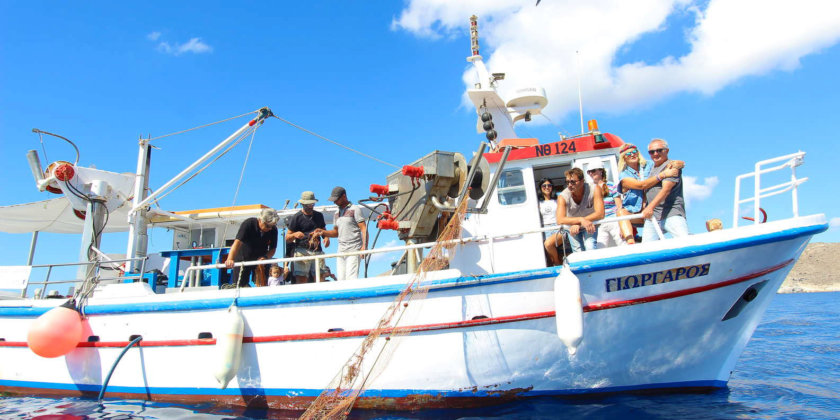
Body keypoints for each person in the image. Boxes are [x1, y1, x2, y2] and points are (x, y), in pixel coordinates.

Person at [617, 143, 683, 242]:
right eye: (628, 154)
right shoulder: (623, 175)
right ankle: (630, 242)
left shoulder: (650, 165)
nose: (632, 155)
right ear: (623, 158)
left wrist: (678, 164)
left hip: (657, 209)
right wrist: (662, 175)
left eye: (634, 152)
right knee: (621, 212)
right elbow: (641, 185)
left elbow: (666, 163)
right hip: (638, 211)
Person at [544, 168, 604, 265]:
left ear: (582, 181)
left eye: (572, 182)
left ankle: (593, 271)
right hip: (572, 227)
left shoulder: (594, 189)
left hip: (588, 225)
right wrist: (580, 221)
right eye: (567, 182)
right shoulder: (563, 196)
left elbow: (600, 213)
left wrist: (580, 223)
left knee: (590, 247)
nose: (569, 185)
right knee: (578, 253)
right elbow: (560, 219)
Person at [642, 138, 689, 241]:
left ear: (666, 151)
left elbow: (666, 190)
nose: (655, 154)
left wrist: (650, 207)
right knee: (646, 250)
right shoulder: (650, 168)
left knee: (685, 243)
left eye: (659, 150)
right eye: (651, 152)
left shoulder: (671, 166)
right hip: (653, 218)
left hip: (672, 213)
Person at [321, 186, 368, 280]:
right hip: (341, 250)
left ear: (344, 196)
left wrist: (364, 246)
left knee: (351, 278)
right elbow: (336, 232)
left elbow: (364, 229)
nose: (334, 202)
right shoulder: (336, 213)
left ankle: (352, 295)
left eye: (336, 199)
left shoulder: (355, 209)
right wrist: (323, 232)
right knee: (341, 279)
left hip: (354, 249)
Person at [224, 208, 279, 287]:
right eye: (267, 226)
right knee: (239, 285)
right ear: (260, 220)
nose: (269, 228)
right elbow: (237, 242)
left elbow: (273, 249)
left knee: (262, 283)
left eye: (272, 226)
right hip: (243, 258)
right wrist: (230, 259)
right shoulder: (248, 223)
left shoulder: (273, 229)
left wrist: (266, 257)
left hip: (260, 260)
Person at [286, 191, 328, 284]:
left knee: (320, 276)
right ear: (302, 204)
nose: (310, 206)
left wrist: (326, 238)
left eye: (312, 204)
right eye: (308, 204)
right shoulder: (296, 217)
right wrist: (294, 235)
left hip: (317, 250)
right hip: (301, 250)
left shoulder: (319, 216)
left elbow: (324, 231)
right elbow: (287, 237)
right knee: (301, 278)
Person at [587, 161, 627, 248]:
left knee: (623, 245)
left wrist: (622, 226)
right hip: (600, 223)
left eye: (593, 171)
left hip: (614, 221)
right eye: (589, 172)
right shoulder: (589, 189)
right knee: (600, 248)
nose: (591, 173)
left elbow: (619, 206)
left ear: (601, 171)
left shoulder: (612, 185)